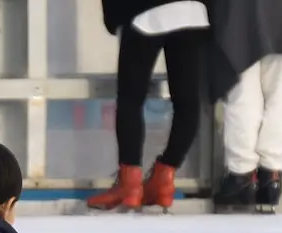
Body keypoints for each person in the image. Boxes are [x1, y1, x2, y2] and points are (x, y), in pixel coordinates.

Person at [87, 0, 210, 213]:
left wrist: (114, 17)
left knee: (131, 99)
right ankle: (164, 178)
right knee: (187, 103)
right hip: (193, 12)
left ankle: (130, 184)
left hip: (144, 11)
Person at [206, 0, 282, 214]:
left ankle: (242, 174)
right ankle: (271, 175)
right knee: (280, 96)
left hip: (238, 16)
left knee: (243, 95)